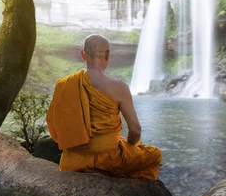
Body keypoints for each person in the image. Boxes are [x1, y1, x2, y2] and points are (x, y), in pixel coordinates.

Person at [46, 34, 162, 180]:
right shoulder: (119, 87)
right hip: (109, 160)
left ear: (83, 54)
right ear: (107, 55)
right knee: (155, 154)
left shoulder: (64, 84)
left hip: (74, 161)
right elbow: (135, 130)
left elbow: (55, 129)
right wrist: (130, 146)